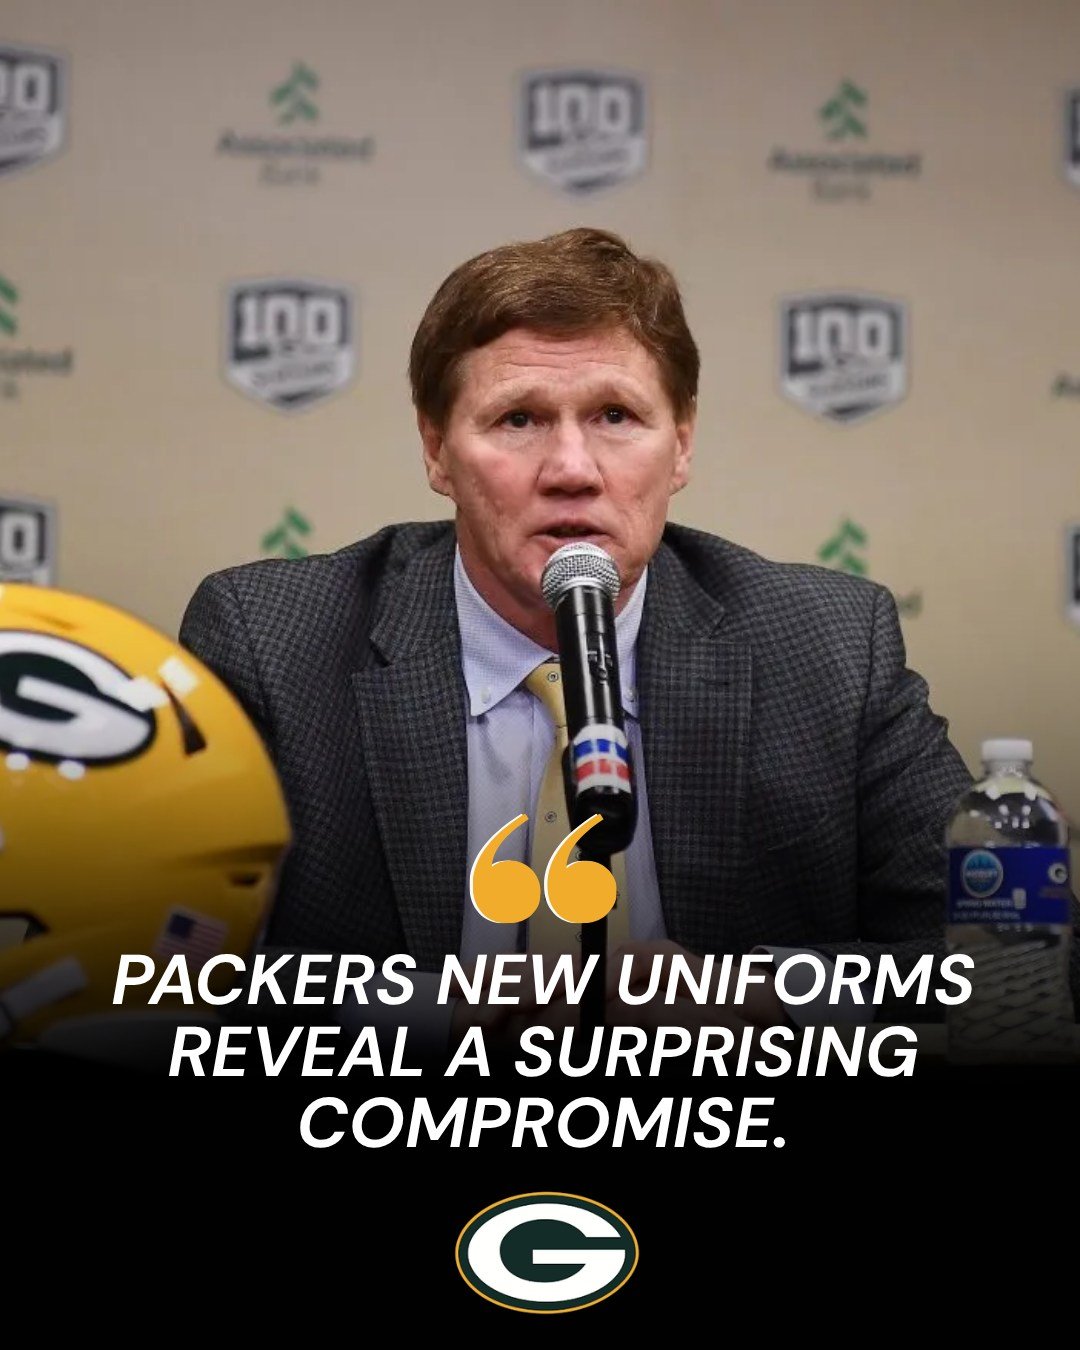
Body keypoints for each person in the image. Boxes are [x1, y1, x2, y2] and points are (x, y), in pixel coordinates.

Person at [179, 226, 978, 1049]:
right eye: (518, 419)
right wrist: (439, 1017)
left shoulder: (828, 645)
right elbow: (168, 963)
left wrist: (767, 1003)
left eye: (615, 416)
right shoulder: (273, 640)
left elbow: (996, 956)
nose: (571, 468)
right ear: (437, 451)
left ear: (682, 445)